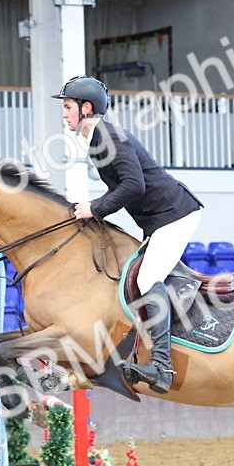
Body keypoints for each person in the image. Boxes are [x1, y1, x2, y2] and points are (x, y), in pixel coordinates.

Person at [58, 75, 203, 395]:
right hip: (157, 220)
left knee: (147, 278)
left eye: (67, 107)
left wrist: (94, 208)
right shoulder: (96, 139)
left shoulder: (107, 136)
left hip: (175, 216)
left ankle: (163, 366)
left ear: (86, 107)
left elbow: (134, 186)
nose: (64, 113)